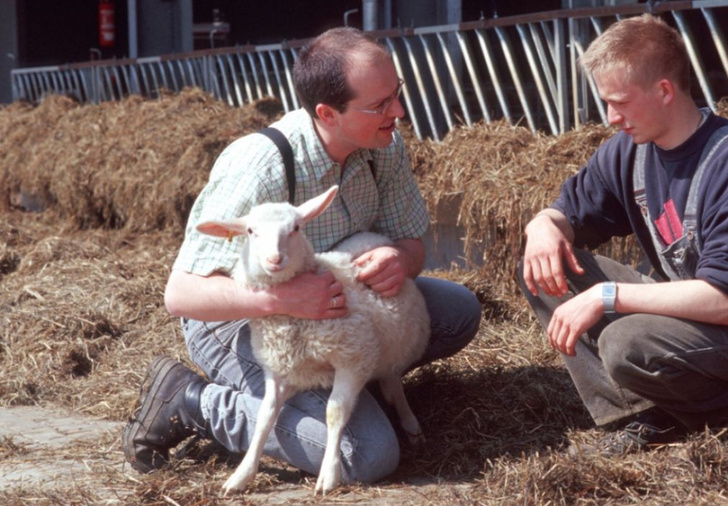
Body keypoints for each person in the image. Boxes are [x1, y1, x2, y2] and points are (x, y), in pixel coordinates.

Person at [122, 27, 481, 484]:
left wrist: (398, 260)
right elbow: (181, 295)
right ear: (327, 113)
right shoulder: (260, 166)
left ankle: (343, 386)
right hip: (242, 318)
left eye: (397, 93)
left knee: (457, 312)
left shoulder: (383, 145)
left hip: (335, 308)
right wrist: (281, 300)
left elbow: (412, 246)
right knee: (365, 456)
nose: (398, 112)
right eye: (380, 105)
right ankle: (194, 403)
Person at [518, 14, 728, 456]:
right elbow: (567, 213)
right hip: (690, 309)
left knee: (625, 342)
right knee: (543, 265)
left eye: (620, 102)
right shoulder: (629, 149)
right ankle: (640, 415)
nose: (611, 118)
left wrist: (606, 295)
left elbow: (725, 302)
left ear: (664, 90)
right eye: (606, 102)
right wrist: (542, 225)